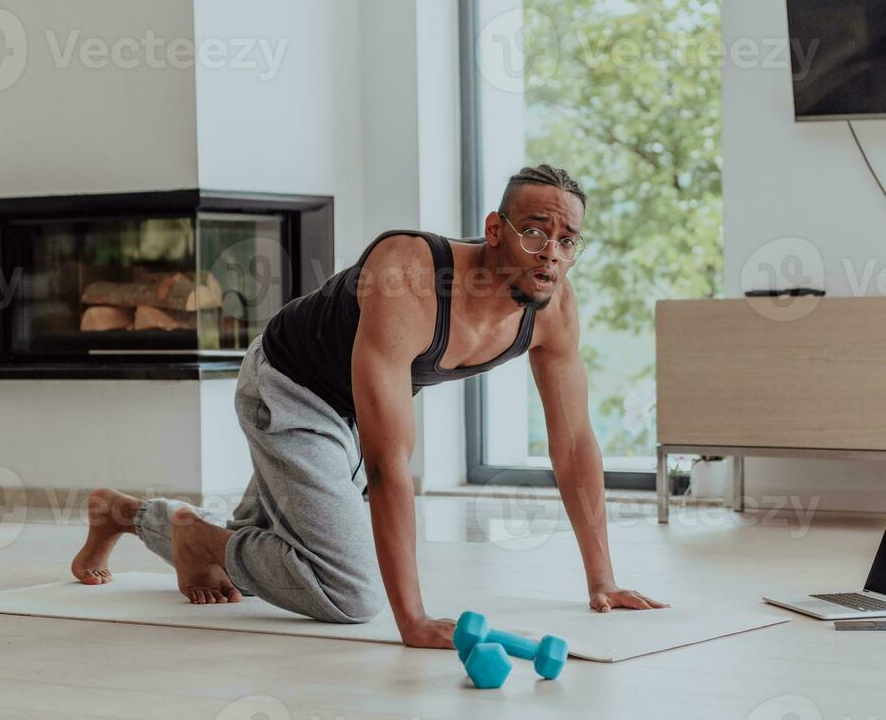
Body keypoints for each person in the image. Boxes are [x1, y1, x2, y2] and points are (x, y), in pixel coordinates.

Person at [70, 164, 667, 648]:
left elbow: (573, 444)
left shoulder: (554, 307)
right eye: (534, 232)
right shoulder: (408, 272)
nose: (551, 255)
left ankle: (125, 515)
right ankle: (194, 539)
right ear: (494, 229)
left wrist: (603, 580)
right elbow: (387, 467)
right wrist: (413, 620)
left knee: (270, 558)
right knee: (348, 592)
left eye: (567, 241)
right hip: (290, 387)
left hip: (353, 410)